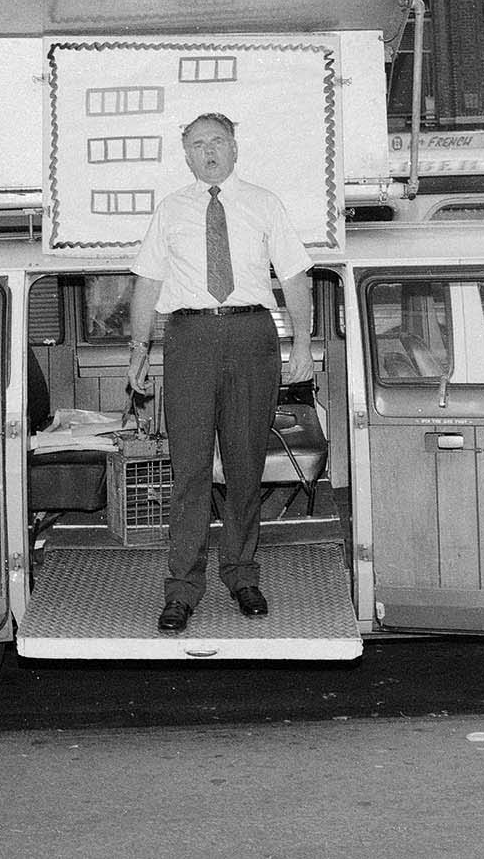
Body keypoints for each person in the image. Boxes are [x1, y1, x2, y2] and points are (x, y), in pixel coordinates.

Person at [126, 112, 313, 635]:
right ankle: (182, 589)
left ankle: (242, 574)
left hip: (252, 335)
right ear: (185, 155)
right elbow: (146, 283)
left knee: (245, 464)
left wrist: (302, 343)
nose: (208, 153)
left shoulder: (264, 204)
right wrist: (139, 350)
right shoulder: (170, 210)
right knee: (187, 470)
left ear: (235, 149)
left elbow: (296, 277)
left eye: (217, 143)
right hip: (188, 340)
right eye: (197, 145)